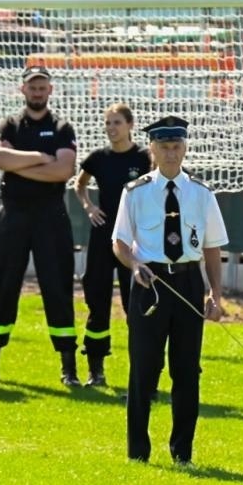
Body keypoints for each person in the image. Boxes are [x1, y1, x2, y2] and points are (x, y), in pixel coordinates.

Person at [110, 114, 227, 464]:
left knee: (187, 369)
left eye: (177, 146)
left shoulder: (201, 194)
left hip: (188, 282)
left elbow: (212, 247)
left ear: (185, 148)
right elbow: (119, 242)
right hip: (150, 282)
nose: (171, 153)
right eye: (164, 147)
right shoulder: (136, 192)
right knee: (143, 369)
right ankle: (137, 452)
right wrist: (135, 265)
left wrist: (215, 293)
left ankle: (182, 453)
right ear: (153, 149)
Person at [0, 65, 77, 385]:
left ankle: (69, 369)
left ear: (50, 90)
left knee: (57, 288)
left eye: (42, 86)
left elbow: (63, 171)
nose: (37, 92)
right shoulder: (10, 124)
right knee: (4, 287)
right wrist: (41, 158)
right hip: (13, 214)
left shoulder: (62, 127)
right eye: (33, 86)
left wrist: (17, 165)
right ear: (23, 90)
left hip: (50, 216)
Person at [74, 101, 150, 388]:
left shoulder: (144, 157)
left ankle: (141, 375)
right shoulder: (98, 158)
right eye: (108, 123)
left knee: (137, 306)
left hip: (133, 238)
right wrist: (89, 207)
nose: (111, 128)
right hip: (103, 236)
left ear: (130, 125)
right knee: (97, 301)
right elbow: (79, 184)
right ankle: (96, 371)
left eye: (117, 122)